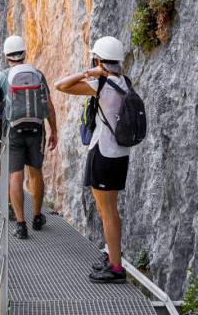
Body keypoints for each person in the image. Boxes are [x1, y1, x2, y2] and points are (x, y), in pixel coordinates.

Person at [54, 35, 130, 284]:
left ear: (99, 60)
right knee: (110, 210)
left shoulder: (101, 85)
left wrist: (90, 72)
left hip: (103, 153)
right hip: (120, 154)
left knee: (106, 211)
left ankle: (116, 267)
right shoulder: (124, 82)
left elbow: (61, 85)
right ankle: (113, 258)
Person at [0, 36, 58, 239]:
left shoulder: (1, 77)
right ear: (25, 53)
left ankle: (21, 224)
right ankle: (37, 217)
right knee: (36, 173)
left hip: (13, 133)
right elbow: (49, 106)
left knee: (15, 176)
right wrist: (54, 131)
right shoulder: (38, 74)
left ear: (7, 55)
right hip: (37, 131)